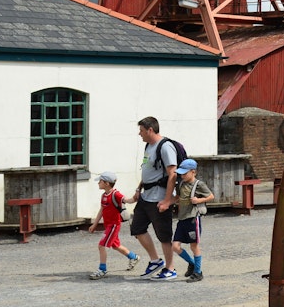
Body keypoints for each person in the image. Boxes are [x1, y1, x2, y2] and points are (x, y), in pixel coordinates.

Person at [132, 116, 180, 281]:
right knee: (137, 228)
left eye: (142, 131)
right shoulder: (148, 146)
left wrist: (167, 200)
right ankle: (155, 260)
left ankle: (170, 268)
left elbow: (172, 174)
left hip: (159, 197)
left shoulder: (165, 147)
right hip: (146, 196)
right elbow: (147, 169)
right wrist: (139, 188)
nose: (140, 134)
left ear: (150, 130)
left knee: (164, 235)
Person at [87, 171, 139, 279]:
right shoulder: (104, 195)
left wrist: (135, 198)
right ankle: (133, 257)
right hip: (108, 225)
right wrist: (95, 224)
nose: (98, 183)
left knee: (101, 245)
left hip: (114, 225)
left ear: (106, 183)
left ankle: (102, 270)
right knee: (115, 246)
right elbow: (101, 210)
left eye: (100, 181)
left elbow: (127, 200)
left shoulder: (116, 194)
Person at [170, 159, 214, 282]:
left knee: (194, 246)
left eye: (185, 173)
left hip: (193, 219)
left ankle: (198, 272)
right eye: (181, 173)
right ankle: (192, 263)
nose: (182, 176)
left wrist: (198, 200)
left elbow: (211, 196)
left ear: (193, 172)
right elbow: (178, 197)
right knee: (175, 246)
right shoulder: (181, 184)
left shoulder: (199, 184)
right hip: (182, 218)